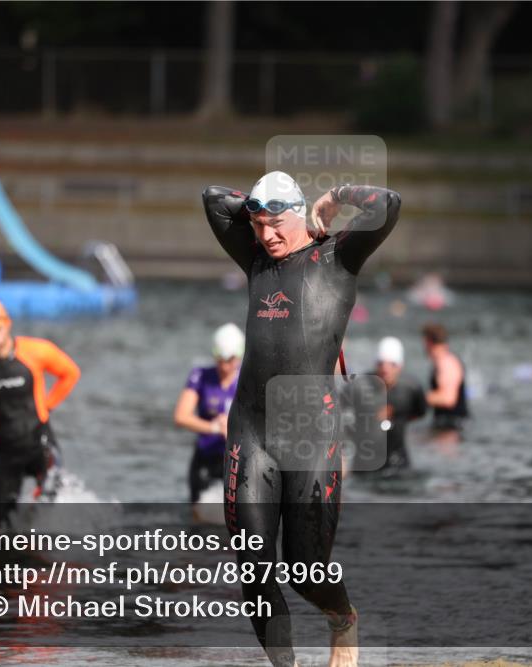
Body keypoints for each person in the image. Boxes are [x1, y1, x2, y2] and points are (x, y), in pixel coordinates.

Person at [203, 171, 401, 667]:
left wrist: (333, 199)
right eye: (257, 225)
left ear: (298, 213)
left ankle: (342, 619)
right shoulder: (255, 260)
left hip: (311, 436)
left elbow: (388, 204)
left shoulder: (337, 258)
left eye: (275, 223)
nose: (266, 235)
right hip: (250, 433)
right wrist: (255, 206)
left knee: (306, 569)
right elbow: (212, 201)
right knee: (253, 570)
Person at [0, 299, 80, 529]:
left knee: (45, 513)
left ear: (8, 325)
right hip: (5, 454)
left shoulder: (36, 350)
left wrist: (47, 405)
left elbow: (70, 373)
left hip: (40, 444)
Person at [173, 323, 244, 506]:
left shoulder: (247, 379)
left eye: (230, 360)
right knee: (198, 522)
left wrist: (234, 427)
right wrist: (215, 427)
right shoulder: (200, 375)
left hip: (237, 460)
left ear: (240, 355)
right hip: (206, 456)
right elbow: (181, 416)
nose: (224, 365)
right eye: (219, 359)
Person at [345, 337, 426, 475]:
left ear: (400, 366)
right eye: (381, 364)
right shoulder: (359, 387)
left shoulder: (411, 388)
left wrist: (397, 416)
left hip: (399, 463)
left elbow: (420, 413)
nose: (386, 369)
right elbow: (339, 417)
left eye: (392, 364)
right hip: (366, 464)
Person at [421, 322, 468, 430]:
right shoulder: (441, 362)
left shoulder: (447, 363)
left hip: (453, 425)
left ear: (429, 342)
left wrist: (418, 398)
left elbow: (448, 399)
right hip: (446, 423)